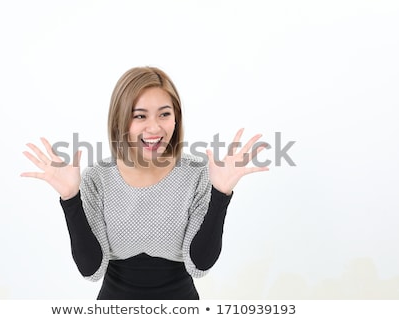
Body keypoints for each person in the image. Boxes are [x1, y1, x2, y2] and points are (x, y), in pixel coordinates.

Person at [21, 66, 268, 299]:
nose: (154, 127)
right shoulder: (98, 177)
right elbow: (91, 269)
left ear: (176, 119)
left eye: (164, 114)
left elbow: (199, 265)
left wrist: (220, 194)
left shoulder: (198, 173)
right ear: (120, 121)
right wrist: (70, 198)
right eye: (140, 116)